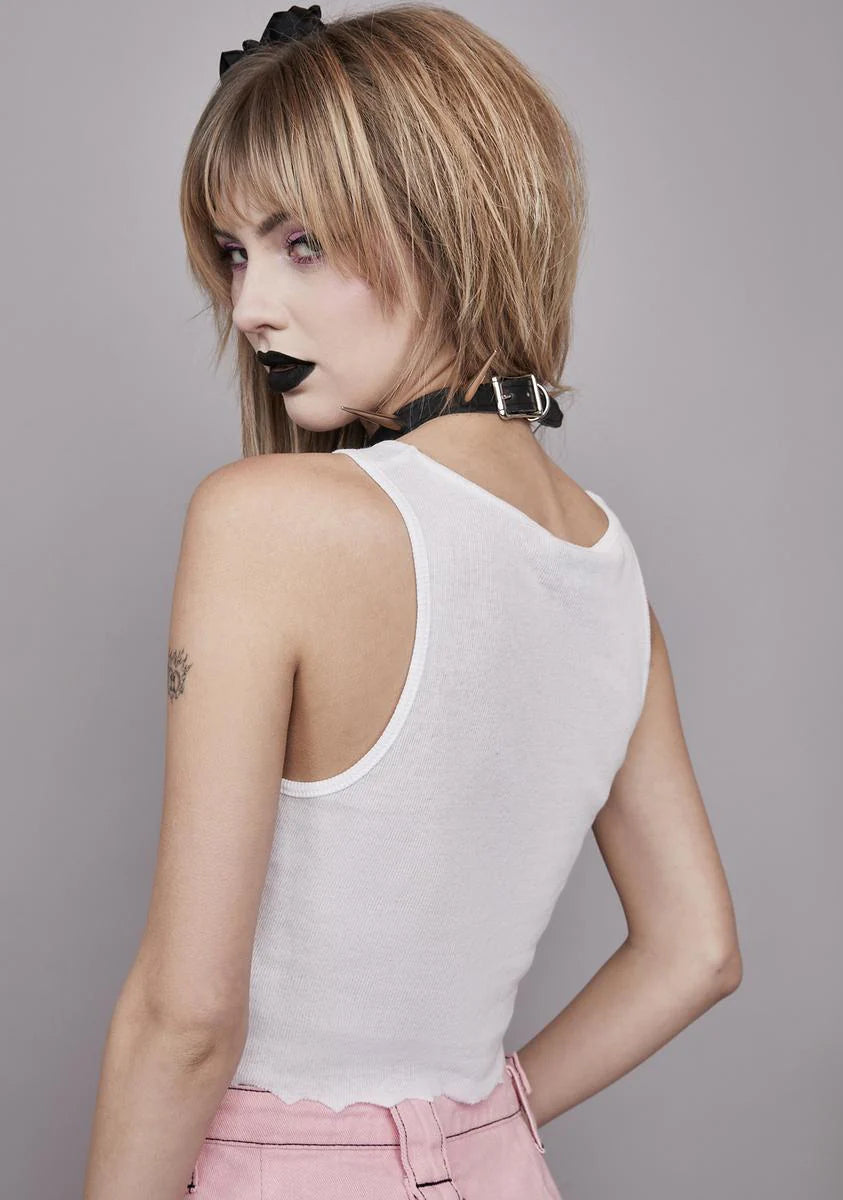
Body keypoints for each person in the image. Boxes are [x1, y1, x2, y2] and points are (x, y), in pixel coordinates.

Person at [83, 5, 742, 1198]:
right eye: (234, 253)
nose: (250, 307)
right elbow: (695, 951)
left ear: (444, 225)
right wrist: (467, 1128)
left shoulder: (267, 518)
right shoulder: (607, 567)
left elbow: (187, 1018)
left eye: (301, 243)